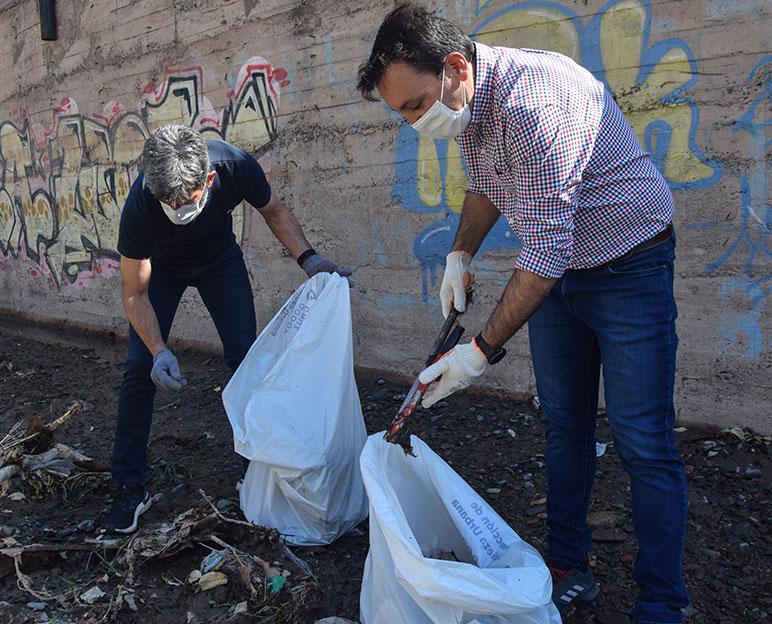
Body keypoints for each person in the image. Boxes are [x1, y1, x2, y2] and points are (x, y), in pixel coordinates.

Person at [357, 5, 689, 623]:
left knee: (643, 438)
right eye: (400, 111)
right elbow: (488, 184)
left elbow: (544, 250)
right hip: (560, 272)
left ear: (455, 67)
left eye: (415, 104)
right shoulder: (470, 105)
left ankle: (663, 602)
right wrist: (462, 251)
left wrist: (478, 352)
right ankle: (567, 566)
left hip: (628, 264)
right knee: (564, 424)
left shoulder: (534, 104)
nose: (412, 121)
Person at [103, 124, 349, 534]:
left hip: (219, 262)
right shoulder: (142, 204)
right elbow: (134, 295)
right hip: (161, 271)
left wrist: (308, 259)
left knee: (245, 359)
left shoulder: (235, 166)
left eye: (186, 201)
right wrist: (159, 350)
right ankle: (129, 486)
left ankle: (258, 476)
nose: (177, 210)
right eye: (169, 202)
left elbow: (274, 210)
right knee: (137, 366)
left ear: (209, 179)